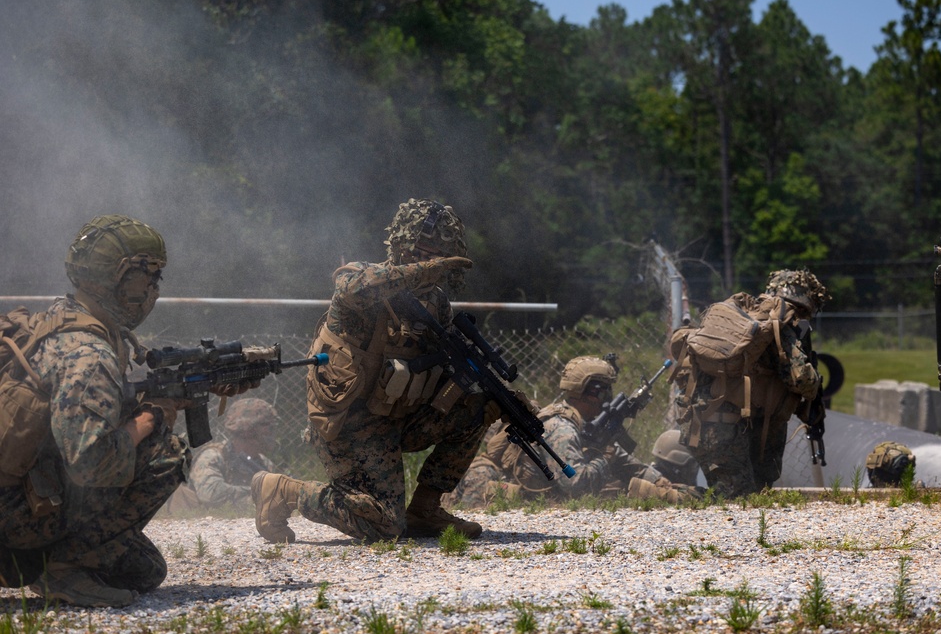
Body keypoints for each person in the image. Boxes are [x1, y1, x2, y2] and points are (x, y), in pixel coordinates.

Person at [252, 199, 497, 543]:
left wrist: (487, 391)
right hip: (350, 422)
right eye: (420, 250)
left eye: (437, 253)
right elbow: (354, 289)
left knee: (478, 403)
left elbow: (442, 369)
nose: (428, 260)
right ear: (399, 245)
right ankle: (283, 490)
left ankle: (425, 510)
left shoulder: (436, 303)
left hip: (397, 417)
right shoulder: (362, 278)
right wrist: (424, 271)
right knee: (384, 528)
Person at [0, 215, 196, 607]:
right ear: (111, 278)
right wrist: (151, 417)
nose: (155, 290)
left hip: (15, 498)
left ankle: (62, 562)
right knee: (166, 452)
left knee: (144, 570)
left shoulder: (63, 318)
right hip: (15, 519)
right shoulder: (90, 354)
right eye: (147, 277)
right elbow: (92, 463)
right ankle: (64, 570)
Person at [448, 356, 698, 508]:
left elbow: (626, 461)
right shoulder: (561, 428)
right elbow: (575, 486)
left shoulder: (583, 424)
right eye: (605, 391)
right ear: (592, 392)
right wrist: (602, 457)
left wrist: (663, 483)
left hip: (533, 490)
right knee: (619, 489)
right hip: (499, 493)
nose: (607, 398)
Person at [674, 269, 828, 498]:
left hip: (708, 420)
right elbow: (801, 379)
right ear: (804, 304)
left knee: (744, 495)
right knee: (737, 498)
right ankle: (660, 494)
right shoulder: (780, 323)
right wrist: (815, 387)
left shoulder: (749, 315)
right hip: (723, 427)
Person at [167, 398, 279, 514]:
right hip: (195, 522)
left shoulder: (264, 464)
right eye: (268, 427)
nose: (272, 432)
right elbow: (210, 494)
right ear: (248, 430)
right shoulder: (214, 456)